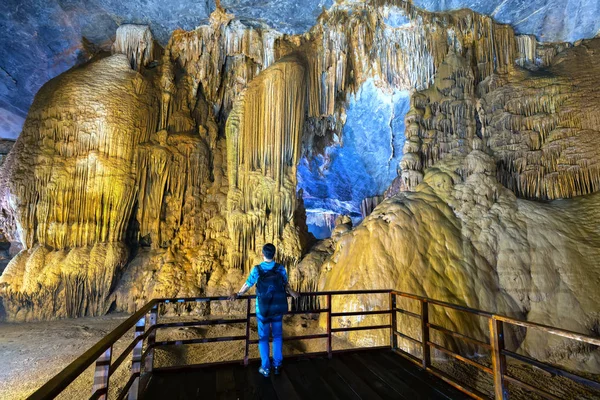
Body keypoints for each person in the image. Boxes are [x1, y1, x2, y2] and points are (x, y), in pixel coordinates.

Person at [229, 243, 300, 377]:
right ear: (274, 254)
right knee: (278, 336)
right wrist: (292, 292)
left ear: (263, 254)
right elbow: (286, 284)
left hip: (263, 309)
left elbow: (248, 284)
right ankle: (277, 365)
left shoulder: (257, 269)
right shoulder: (280, 268)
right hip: (277, 308)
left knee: (263, 337)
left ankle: (266, 368)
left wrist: (238, 294)